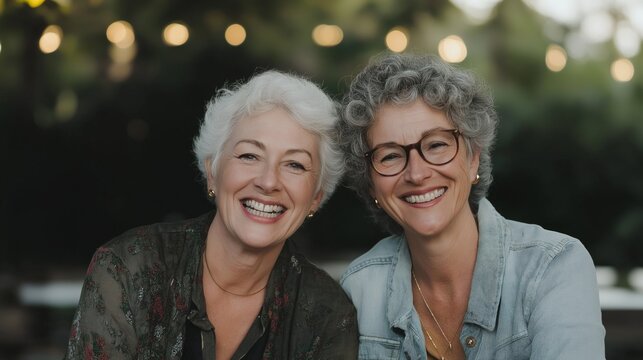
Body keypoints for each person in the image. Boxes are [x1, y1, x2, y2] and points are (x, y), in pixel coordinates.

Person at [65, 70, 358, 359]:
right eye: (249, 156)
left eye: (295, 164)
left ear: (315, 198)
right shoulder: (128, 268)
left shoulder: (327, 315)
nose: (268, 182)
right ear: (212, 173)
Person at [338, 53, 605, 360]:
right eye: (390, 156)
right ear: (370, 182)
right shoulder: (359, 289)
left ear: (473, 157)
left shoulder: (553, 267)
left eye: (436, 145)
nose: (416, 173)